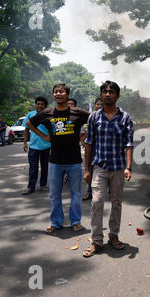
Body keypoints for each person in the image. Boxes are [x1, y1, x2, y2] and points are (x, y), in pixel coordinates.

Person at [27, 83, 90, 233]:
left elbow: (95, 120)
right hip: (54, 161)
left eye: (61, 91)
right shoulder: (47, 113)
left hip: (74, 161)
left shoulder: (78, 113)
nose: (58, 94)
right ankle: (56, 222)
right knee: (55, 195)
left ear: (67, 95)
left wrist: (85, 135)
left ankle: (76, 221)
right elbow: (30, 123)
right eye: (55, 92)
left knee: (76, 194)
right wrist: (44, 136)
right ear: (53, 95)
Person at [82, 81, 134, 258]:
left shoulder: (125, 117)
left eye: (111, 92)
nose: (107, 94)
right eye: (104, 91)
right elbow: (88, 143)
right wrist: (87, 169)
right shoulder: (94, 117)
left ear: (117, 96)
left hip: (119, 167)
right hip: (100, 167)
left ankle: (114, 236)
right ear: (101, 94)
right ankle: (97, 241)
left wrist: (128, 167)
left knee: (116, 202)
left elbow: (129, 144)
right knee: (96, 202)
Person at [22, 97, 52, 195]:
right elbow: (26, 129)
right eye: (38, 104)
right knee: (33, 167)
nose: (39, 106)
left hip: (46, 146)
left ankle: (43, 185)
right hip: (34, 146)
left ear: (45, 106)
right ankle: (30, 187)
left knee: (44, 166)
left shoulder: (48, 116)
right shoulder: (30, 114)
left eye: (42, 104)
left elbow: (53, 130)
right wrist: (25, 142)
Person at [82, 98, 104, 201]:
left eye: (101, 104)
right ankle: (89, 192)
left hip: (104, 152)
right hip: (92, 150)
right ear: (95, 106)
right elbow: (88, 137)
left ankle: (110, 191)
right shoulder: (92, 117)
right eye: (97, 104)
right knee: (90, 172)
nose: (99, 106)